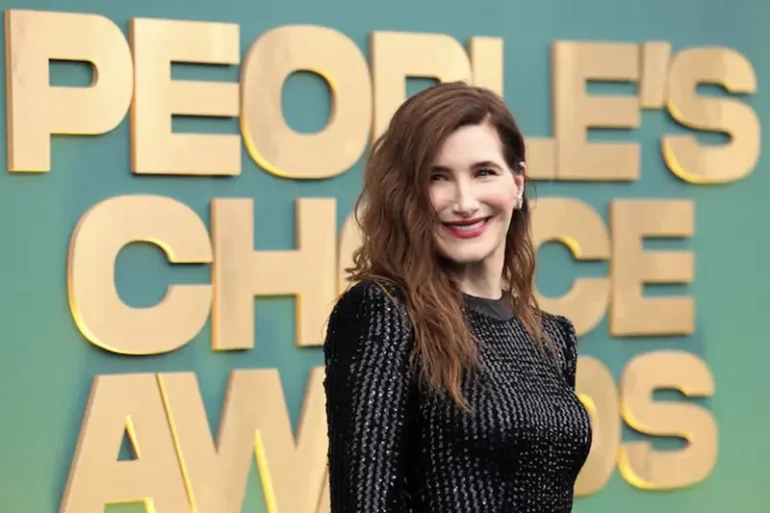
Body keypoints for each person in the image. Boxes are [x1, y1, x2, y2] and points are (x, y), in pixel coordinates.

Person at [322, 81, 592, 513]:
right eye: (438, 177)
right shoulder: (384, 313)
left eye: (484, 172)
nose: (464, 202)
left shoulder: (554, 339)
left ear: (517, 184)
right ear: (409, 195)